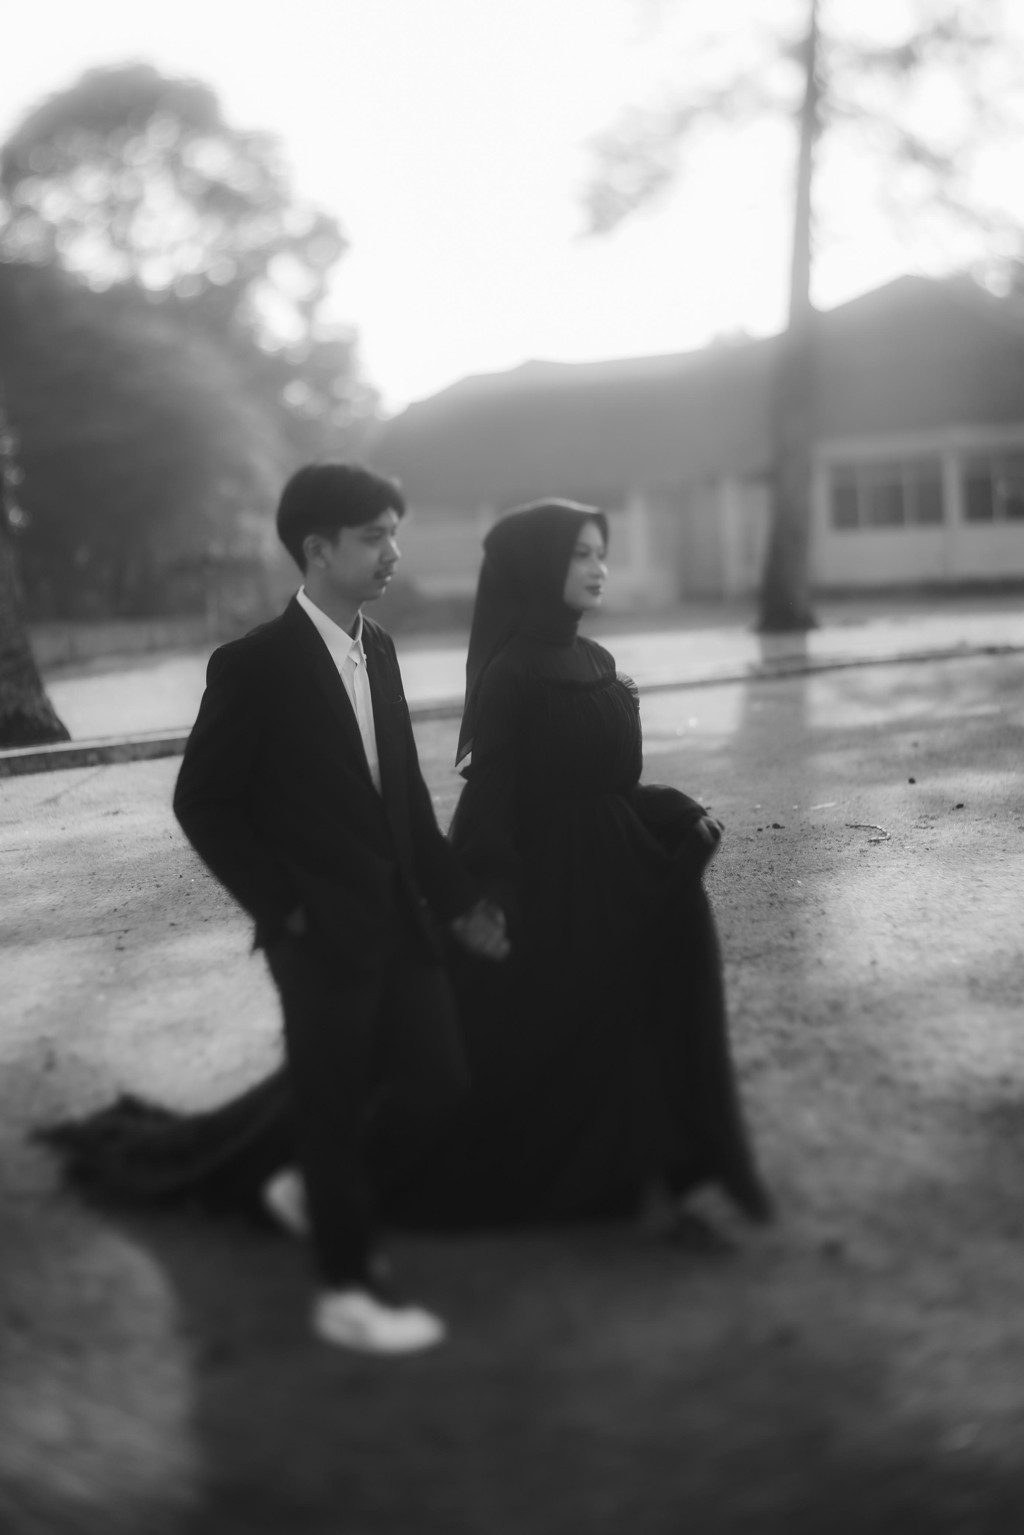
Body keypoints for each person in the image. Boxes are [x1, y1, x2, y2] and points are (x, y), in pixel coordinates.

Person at [39, 499, 770, 1292]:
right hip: (546, 890)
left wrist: (677, 814)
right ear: (537, 566)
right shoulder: (512, 674)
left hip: (616, 879)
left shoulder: (598, 659)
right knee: (502, 1052)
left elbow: (615, 788)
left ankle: (653, 1182)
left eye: (601, 552)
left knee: (639, 1024)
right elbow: (491, 805)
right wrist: (486, 899)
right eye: (581, 554)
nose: (599, 567)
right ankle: (334, 1181)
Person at [55, 462, 509, 1357]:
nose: (393, 551)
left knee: (439, 1084)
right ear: (318, 549)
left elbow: (404, 800)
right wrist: (284, 908)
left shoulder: (379, 649)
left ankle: (308, 1192)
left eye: (394, 532)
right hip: (318, 937)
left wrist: (459, 902)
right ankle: (347, 1288)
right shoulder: (254, 665)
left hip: (399, 919)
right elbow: (203, 802)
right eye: (374, 536)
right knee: (330, 1109)